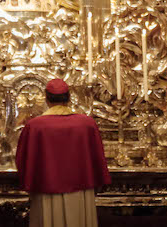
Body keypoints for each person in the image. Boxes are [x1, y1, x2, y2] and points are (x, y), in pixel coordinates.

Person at [15, 78, 111, 227]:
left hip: (45, 190)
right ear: (69, 97)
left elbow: (23, 159)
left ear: (46, 99)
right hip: (81, 191)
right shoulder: (87, 124)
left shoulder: (35, 126)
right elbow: (98, 157)